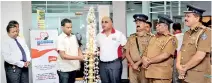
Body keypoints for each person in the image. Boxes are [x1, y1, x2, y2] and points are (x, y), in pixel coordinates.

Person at [176, 5, 211, 83]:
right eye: (185, 16)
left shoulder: (206, 32)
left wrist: (184, 68)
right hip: (184, 75)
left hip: (197, 76)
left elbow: (200, 55)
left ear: (197, 18)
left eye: (188, 16)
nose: (185, 19)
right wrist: (178, 66)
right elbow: (181, 50)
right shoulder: (187, 33)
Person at [141, 14, 177, 83]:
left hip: (161, 75)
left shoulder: (171, 39)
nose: (156, 26)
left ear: (166, 26)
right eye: (157, 24)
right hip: (149, 73)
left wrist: (148, 61)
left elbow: (165, 55)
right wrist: (144, 58)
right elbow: (145, 51)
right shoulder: (153, 37)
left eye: (159, 25)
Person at [96, 16, 127, 83]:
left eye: (106, 22)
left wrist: (120, 59)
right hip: (102, 64)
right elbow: (98, 48)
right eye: (102, 22)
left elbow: (126, 48)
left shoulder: (119, 34)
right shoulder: (99, 36)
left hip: (115, 64)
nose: (103, 24)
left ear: (111, 23)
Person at [124, 14, 152, 83]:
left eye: (140, 22)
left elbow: (149, 53)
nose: (138, 24)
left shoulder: (150, 38)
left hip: (144, 67)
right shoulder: (131, 37)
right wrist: (133, 64)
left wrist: (137, 64)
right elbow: (127, 53)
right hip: (132, 67)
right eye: (136, 22)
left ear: (145, 24)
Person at [57, 18, 84, 83]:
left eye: (71, 27)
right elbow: (63, 56)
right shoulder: (60, 39)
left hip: (73, 68)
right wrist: (79, 57)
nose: (70, 29)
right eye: (68, 27)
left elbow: (78, 48)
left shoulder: (74, 37)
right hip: (64, 70)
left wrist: (81, 56)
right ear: (62, 27)